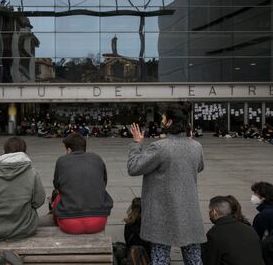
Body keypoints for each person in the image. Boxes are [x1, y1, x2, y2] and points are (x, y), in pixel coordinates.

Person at [127, 103, 206, 265]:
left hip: (162, 213)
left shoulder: (160, 147)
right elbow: (199, 167)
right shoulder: (196, 146)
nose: (161, 121)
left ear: (169, 123)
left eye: (163, 118)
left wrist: (137, 143)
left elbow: (134, 167)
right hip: (189, 211)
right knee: (193, 258)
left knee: (160, 257)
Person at [0, 137, 46, 240]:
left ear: (4, 151)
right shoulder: (32, 173)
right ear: (24, 152)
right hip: (24, 229)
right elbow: (38, 201)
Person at [52, 133, 113, 234]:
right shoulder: (97, 159)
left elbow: (57, 186)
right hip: (98, 222)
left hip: (69, 225)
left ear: (69, 150)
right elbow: (104, 183)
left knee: (58, 197)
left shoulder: (62, 160)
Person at [203, 196, 264, 265]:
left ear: (214, 212)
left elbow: (211, 261)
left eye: (209, 210)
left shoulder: (214, 234)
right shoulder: (249, 229)